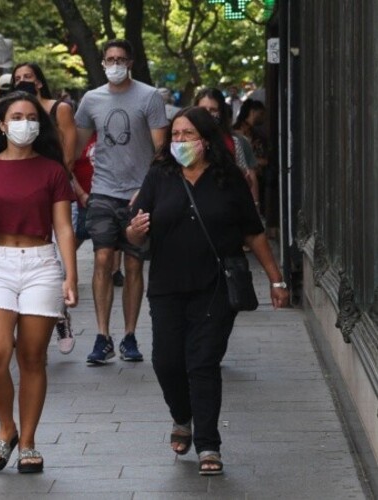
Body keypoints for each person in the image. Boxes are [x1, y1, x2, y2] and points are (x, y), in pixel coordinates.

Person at [126, 106, 289, 476]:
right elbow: (133, 229)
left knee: (202, 362)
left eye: (188, 135)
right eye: (175, 135)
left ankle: (209, 444)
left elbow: (253, 231)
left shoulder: (226, 178)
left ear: (206, 139)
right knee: (166, 362)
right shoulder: (159, 175)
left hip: (214, 285)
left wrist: (276, 280)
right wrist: (134, 231)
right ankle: (183, 416)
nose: (180, 141)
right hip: (167, 285)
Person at [0, 92, 77, 473]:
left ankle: (28, 441)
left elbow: (64, 227)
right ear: (2, 125)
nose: (25, 122)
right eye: (16, 116)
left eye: (31, 116)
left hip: (41, 264)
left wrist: (71, 275)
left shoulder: (53, 170)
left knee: (33, 357)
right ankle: (6, 427)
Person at [74, 38, 168, 365]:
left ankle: (129, 335)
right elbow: (74, 150)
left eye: (121, 59)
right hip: (102, 191)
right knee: (101, 259)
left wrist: (148, 190)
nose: (115, 64)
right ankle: (102, 336)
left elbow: (161, 149)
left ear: (130, 63)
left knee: (132, 264)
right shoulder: (91, 100)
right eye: (110, 59)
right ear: (102, 63)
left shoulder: (149, 97)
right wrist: (79, 191)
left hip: (139, 193)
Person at [11, 62, 78, 354]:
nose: (23, 82)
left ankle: (59, 313)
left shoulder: (58, 109)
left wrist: (52, 183)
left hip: (52, 190)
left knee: (54, 257)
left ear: (39, 82)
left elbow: (69, 154)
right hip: (18, 193)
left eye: (28, 77)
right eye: (18, 79)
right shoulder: (8, 111)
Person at [194, 88, 259, 205]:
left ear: (221, 112)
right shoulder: (182, 142)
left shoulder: (233, 143)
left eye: (213, 110)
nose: (208, 114)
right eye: (203, 109)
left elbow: (245, 178)